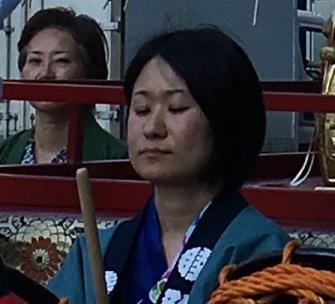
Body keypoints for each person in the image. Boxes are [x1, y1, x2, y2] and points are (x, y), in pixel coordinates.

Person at [50, 27, 288, 304]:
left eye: (176, 108)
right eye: (141, 109)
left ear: (226, 120)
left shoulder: (261, 252)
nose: (152, 128)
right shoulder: (95, 254)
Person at [0, 7, 127, 164]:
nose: (45, 73)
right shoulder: (4, 152)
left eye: (61, 61)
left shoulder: (119, 159)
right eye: (35, 61)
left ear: (90, 73)